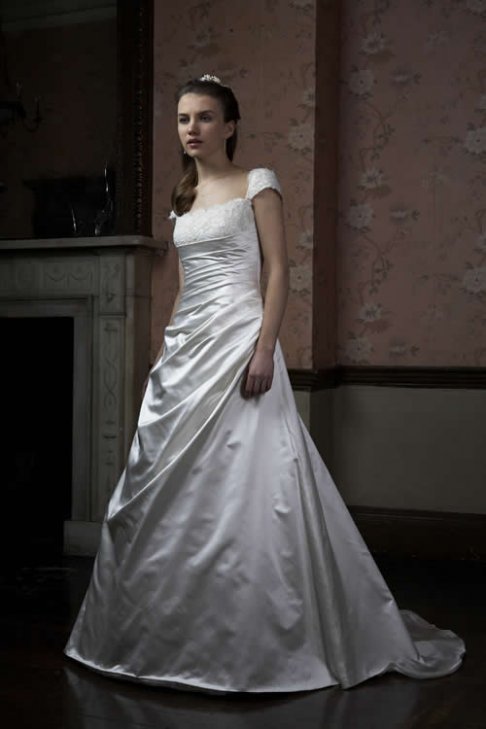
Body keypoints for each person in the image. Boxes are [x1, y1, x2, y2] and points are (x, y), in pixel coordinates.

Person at [64, 74, 465, 693]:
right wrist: (166, 350)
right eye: (182, 118)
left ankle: (264, 637)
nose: (191, 128)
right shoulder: (184, 194)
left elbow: (279, 272)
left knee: (252, 480)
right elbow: (184, 286)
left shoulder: (258, 182)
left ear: (229, 126)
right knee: (170, 487)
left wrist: (265, 348)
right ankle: (168, 635)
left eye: (204, 117)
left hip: (241, 342)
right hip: (189, 350)